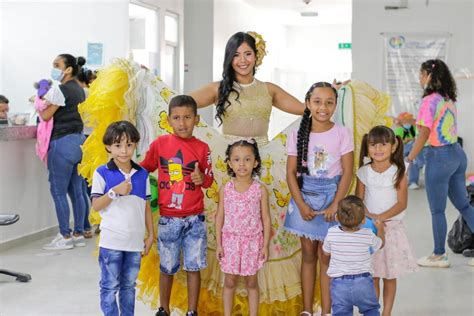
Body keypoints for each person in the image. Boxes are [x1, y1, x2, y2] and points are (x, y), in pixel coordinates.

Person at [284, 82, 354, 315]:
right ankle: (306, 310)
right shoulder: (296, 134)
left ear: (335, 105)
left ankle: (326, 310)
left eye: (329, 102)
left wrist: (336, 204)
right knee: (308, 256)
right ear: (307, 103)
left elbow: (348, 172)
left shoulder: (342, 132)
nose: (323, 107)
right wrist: (301, 205)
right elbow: (291, 174)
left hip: (331, 199)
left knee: (326, 257)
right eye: (317, 102)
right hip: (304, 197)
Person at [140, 95, 214, 316]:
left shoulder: (203, 148)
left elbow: (209, 180)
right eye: (177, 118)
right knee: (167, 267)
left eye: (187, 117)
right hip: (168, 218)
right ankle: (164, 308)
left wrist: (202, 178)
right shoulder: (160, 145)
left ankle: (192, 311)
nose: (182, 123)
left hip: (195, 219)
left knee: (193, 267)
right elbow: (145, 167)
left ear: (197, 119)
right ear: (169, 120)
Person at [407, 59, 474, 267]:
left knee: (438, 210)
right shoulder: (447, 99)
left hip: (439, 157)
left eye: (421, 75)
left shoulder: (429, 101)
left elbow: (424, 132)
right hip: (457, 154)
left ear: (429, 77)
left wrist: (409, 158)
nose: (420, 79)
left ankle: (438, 255)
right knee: (463, 204)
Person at [90, 121, 154, 316]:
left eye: (129, 145)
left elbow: (146, 207)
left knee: (128, 287)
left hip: (134, 242)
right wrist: (114, 192)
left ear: (135, 144)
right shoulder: (102, 172)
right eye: (118, 145)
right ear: (108, 146)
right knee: (109, 287)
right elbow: (95, 205)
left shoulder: (142, 174)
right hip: (111, 241)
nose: (124, 151)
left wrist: (151, 235)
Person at [356, 125, 417, 315]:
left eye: (383, 144)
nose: (378, 149)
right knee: (372, 274)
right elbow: (359, 200)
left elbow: (402, 203)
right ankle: (374, 311)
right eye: (373, 145)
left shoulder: (399, 171)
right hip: (369, 229)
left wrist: (380, 218)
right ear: (367, 148)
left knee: (389, 275)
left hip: (392, 230)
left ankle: (387, 313)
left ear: (393, 146)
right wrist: (370, 219)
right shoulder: (364, 172)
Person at [215, 139, 271, 316]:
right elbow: (219, 217)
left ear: (255, 163)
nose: (242, 164)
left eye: (247, 159)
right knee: (230, 282)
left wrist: (265, 246)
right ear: (230, 163)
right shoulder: (226, 189)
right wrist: (219, 243)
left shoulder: (260, 190)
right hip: (230, 242)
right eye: (237, 159)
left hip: (252, 243)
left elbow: (266, 219)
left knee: (252, 283)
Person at [41, 54, 88, 250]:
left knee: (58, 190)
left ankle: (64, 236)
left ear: (68, 69)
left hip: (62, 143)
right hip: (79, 142)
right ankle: (78, 233)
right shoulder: (79, 89)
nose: (54, 68)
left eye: (57, 65)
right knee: (76, 190)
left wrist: (42, 101)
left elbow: (45, 115)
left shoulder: (60, 89)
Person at [323, 195, 385, 316]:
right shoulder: (367, 234)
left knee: (341, 312)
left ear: (337, 217)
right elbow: (380, 245)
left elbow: (326, 252)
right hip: (363, 282)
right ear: (363, 221)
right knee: (370, 310)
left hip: (339, 284)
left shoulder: (332, 233)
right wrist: (380, 230)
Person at [394, 112, 424, 189]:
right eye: (406, 121)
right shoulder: (399, 130)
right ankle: (422, 163)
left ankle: (413, 182)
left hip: (411, 154)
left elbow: (418, 138)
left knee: (413, 161)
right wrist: (406, 141)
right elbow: (397, 143)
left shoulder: (414, 129)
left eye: (409, 121)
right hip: (402, 150)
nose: (408, 123)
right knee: (413, 145)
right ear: (402, 122)